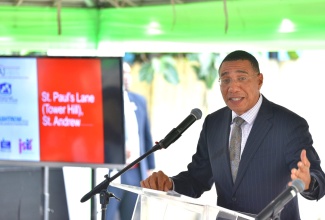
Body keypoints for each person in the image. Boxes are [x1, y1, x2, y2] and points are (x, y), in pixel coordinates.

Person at [140, 50, 325, 219]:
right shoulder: (213, 123)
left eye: (242, 78)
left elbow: (317, 178)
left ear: (259, 80)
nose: (233, 87)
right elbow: (197, 179)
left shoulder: (288, 124)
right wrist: (169, 184)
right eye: (225, 80)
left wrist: (308, 183)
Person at [106, 61, 155, 220]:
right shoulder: (104, 99)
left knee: (132, 216)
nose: (126, 77)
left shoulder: (139, 100)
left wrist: (150, 167)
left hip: (136, 171)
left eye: (128, 73)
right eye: (122, 73)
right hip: (112, 172)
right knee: (108, 215)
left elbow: (146, 135)